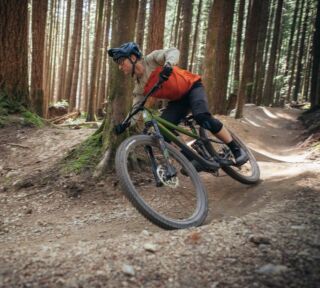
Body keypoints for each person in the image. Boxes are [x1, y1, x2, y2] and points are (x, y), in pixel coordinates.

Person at [108, 42, 248, 168]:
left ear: (132, 58)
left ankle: (236, 149)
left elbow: (172, 51)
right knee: (163, 133)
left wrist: (168, 64)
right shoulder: (139, 86)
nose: (120, 67)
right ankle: (195, 158)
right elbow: (136, 108)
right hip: (178, 101)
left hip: (193, 87)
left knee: (202, 116)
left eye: (121, 62)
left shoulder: (152, 59)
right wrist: (125, 124)